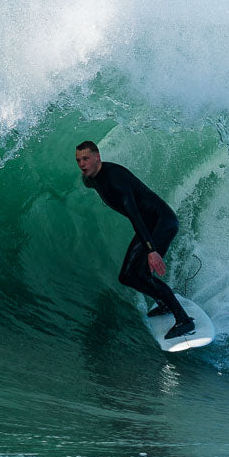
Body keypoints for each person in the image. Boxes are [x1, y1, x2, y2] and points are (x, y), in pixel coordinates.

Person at [76, 140, 195, 339]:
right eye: (79, 160)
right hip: (149, 226)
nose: (82, 164)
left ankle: (184, 320)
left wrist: (151, 251)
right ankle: (165, 304)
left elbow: (135, 216)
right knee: (127, 276)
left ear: (98, 157)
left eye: (86, 158)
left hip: (161, 223)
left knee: (142, 274)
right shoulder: (91, 178)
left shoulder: (114, 179)